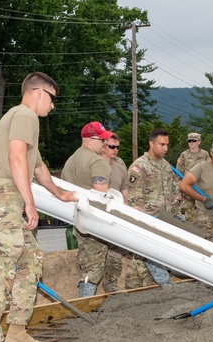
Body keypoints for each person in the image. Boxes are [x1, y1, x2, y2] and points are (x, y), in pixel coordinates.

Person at [0, 72, 76, 342]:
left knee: (30, 261)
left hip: (8, 198)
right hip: (2, 196)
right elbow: (17, 159)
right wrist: (29, 203)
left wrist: (58, 193)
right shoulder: (24, 115)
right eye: (53, 99)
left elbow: (38, 166)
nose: (53, 106)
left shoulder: (25, 121)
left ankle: (16, 332)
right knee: (1, 269)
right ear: (38, 92)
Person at [61, 121, 114, 298]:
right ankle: (85, 302)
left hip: (78, 221)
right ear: (91, 140)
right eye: (102, 140)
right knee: (94, 268)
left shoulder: (70, 161)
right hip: (94, 223)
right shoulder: (97, 162)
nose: (105, 144)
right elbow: (100, 198)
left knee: (88, 264)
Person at [125, 129, 182, 288]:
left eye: (167, 145)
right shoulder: (140, 166)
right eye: (161, 144)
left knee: (153, 256)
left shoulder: (166, 166)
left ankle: (152, 286)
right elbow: (134, 196)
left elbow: (173, 192)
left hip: (165, 219)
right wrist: (142, 220)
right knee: (147, 255)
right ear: (151, 143)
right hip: (149, 219)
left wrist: (176, 215)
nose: (165, 148)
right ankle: (160, 284)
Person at [101, 134, 128, 293]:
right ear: (103, 146)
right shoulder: (95, 165)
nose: (115, 150)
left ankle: (111, 289)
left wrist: (127, 209)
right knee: (95, 263)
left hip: (116, 219)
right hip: (98, 217)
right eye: (111, 146)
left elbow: (124, 191)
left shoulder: (120, 169)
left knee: (115, 258)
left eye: (117, 147)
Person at [176, 132, 211, 219]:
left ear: (199, 142)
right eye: (189, 141)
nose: (191, 143)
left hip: (201, 190)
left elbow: (210, 172)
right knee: (189, 217)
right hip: (187, 191)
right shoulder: (183, 155)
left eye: (194, 141)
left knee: (202, 217)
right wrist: (178, 192)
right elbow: (177, 175)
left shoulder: (205, 155)